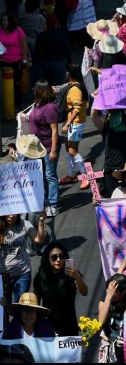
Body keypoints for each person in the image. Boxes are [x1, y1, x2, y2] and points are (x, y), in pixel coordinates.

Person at [32, 241, 88, 336]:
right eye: (54, 257)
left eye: (61, 256)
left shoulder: (72, 274)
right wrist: (37, 323)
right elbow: (35, 302)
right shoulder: (41, 277)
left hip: (69, 325)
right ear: (47, 259)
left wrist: (77, 276)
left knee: (70, 351)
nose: (58, 260)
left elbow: (84, 292)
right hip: (48, 324)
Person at [29, 80, 59, 216]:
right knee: (40, 177)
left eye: (36, 88)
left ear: (41, 90)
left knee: (50, 175)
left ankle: (53, 204)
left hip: (47, 147)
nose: (34, 90)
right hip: (36, 148)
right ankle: (44, 202)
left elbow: (54, 130)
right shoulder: (37, 104)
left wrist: (53, 150)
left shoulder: (50, 107)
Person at [0, 213, 46, 304]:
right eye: (8, 214)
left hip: (23, 273)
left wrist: (41, 221)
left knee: (19, 307)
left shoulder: (24, 223)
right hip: (2, 276)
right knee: (4, 307)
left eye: (14, 213)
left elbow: (39, 239)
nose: (12, 216)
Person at [58, 65, 89, 189]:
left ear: (70, 74)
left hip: (74, 123)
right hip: (70, 122)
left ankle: (85, 176)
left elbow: (77, 108)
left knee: (72, 150)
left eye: (67, 71)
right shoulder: (73, 85)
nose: (66, 73)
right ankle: (71, 175)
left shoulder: (75, 89)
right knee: (67, 149)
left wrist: (67, 124)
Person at [97, 274, 126, 363]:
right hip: (110, 349)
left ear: (123, 292)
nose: (109, 292)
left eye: (113, 291)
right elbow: (100, 322)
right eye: (108, 289)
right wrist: (108, 298)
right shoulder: (104, 302)